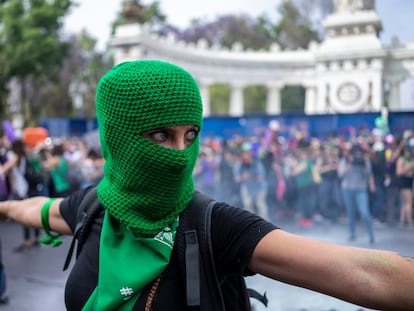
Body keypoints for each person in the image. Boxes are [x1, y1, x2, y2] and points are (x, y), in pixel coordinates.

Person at [0, 60, 413, 310]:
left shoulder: (216, 226)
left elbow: (363, 273)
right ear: (117, 138)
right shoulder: (92, 206)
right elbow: (35, 209)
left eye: (191, 136)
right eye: (161, 135)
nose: (180, 153)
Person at [338, 144, 376, 244]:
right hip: (347, 189)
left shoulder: (364, 160)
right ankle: (352, 234)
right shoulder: (345, 160)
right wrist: (350, 162)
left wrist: (363, 163)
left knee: (365, 213)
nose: (357, 155)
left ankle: (371, 235)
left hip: (361, 189)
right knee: (350, 213)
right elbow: (341, 174)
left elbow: (369, 173)